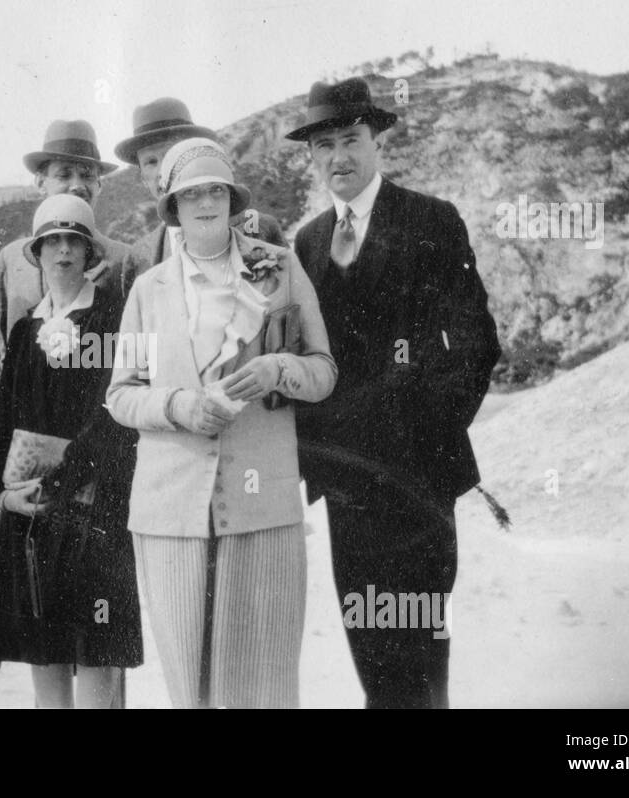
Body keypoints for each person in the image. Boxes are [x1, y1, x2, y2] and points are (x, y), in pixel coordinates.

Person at [287, 78, 501, 709]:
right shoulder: (306, 242)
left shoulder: (430, 220)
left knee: (423, 669)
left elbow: (474, 342)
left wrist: (425, 432)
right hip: (348, 491)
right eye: (323, 145)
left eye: (350, 139)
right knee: (374, 670)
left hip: (418, 485)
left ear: (376, 139)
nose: (338, 157)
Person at [107, 138, 338, 708]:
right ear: (173, 207)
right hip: (172, 511)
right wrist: (182, 406)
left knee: (264, 681)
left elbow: (324, 371)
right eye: (191, 194)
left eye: (216, 190)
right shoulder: (147, 288)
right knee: (191, 684)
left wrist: (278, 368)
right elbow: (120, 396)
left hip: (263, 505)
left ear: (232, 198)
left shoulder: (279, 267)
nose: (205, 202)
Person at [0, 194, 142, 709]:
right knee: (44, 653)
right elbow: (2, 421)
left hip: (96, 509)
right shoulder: (25, 330)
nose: (64, 251)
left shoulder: (119, 318)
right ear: (37, 253)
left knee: (98, 653)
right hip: (32, 513)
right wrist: (5, 499)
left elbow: (120, 416)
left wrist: (67, 477)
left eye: (75, 239)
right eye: (52, 240)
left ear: (90, 251)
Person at [113, 97, 289, 287]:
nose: (163, 171)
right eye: (151, 162)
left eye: (173, 154)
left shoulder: (257, 228)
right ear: (142, 178)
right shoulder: (137, 257)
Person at [0, 119, 132, 339]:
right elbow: (7, 345)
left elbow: (138, 356)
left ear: (99, 185)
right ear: (40, 183)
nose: (77, 185)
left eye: (87, 175)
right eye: (64, 175)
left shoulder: (126, 260)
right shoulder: (11, 259)